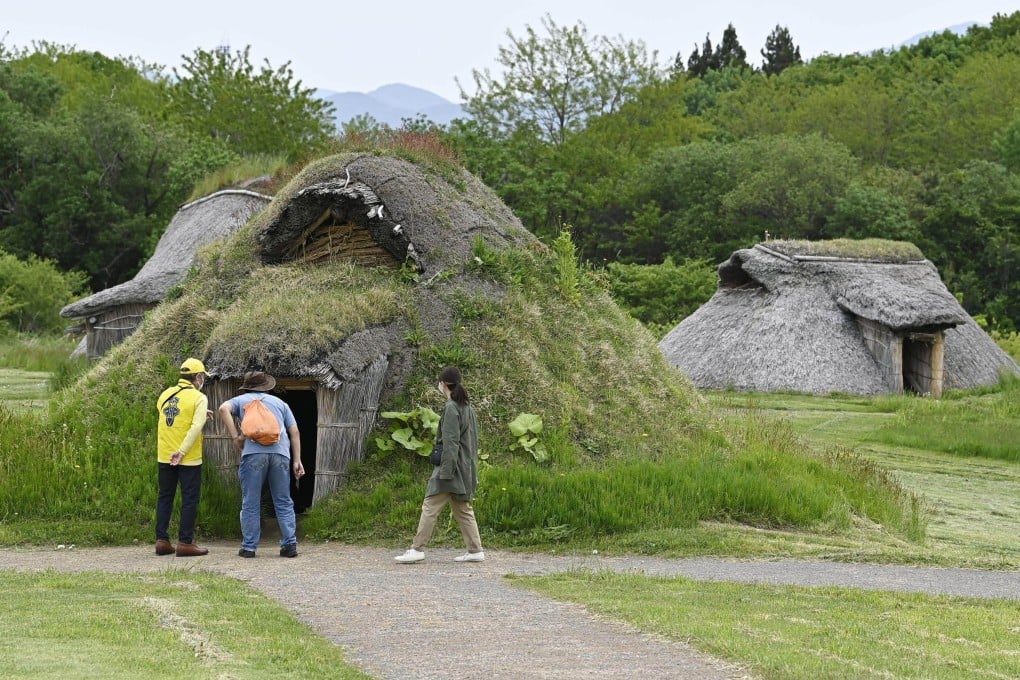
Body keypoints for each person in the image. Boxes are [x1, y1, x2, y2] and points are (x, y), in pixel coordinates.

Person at [395, 366, 484, 563]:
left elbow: (451, 442)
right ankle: (475, 550)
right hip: (464, 467)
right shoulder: (467, 407)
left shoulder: (452, 407)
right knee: (463, 508)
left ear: (443, 384)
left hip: (450, 468)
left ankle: (417, 549)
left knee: (430, 505)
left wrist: (445, 472)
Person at [218, 371, 305, 558]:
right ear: (267, 386)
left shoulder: (241, 400)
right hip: (280, 453)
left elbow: (223, 409)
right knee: (282, 500)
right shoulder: (281, 404)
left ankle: (249, 547)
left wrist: (235, 437)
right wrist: (297, 460)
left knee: (251, 500)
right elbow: (294, 431)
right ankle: (289, 544)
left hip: (253, 454)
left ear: (247, 386)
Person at [155, 358, 211, 557]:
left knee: (165, 497)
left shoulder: (165, 394)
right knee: (189, 498)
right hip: (188, 458)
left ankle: (162, 540)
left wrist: (203, 414)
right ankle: (185, 543)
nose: (202, 380)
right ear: (197, 377)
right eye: (202, 376)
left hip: (164, 455)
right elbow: (195, 427)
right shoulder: (199, 398)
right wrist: (182, 451)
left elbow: (171, 416)